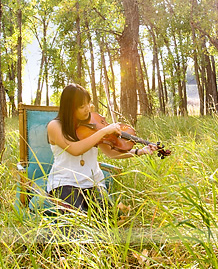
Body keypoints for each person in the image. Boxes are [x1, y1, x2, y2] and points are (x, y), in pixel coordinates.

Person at [46, 83, 158, 212]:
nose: (88, 109)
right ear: (69, 108)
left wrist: (141, 151)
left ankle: (117, 209)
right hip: (65, 182)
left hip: (93, 183)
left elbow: (112, 153)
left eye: (88, 103)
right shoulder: (55, 126)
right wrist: (104, 131)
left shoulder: (92, 125)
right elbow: (75, 149)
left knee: (107, 219)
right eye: (82, 106)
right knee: (79, 219)